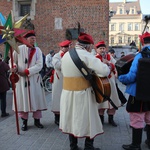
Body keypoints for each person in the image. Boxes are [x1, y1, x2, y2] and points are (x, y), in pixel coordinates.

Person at [59, 32, 111, 150]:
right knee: (89, 119)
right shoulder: (86, 55)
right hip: (83, 93)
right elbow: (104, 71)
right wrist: (107, 66)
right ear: (87, 46)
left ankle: (73, 146)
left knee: (71, 119)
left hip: (67, 93)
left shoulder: (66, 55)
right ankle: (88, 147)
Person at [10, 30, 47, 131]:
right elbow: (13, 61)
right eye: (31, 39)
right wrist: (14, 67)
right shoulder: (18, 49)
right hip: (22, 81)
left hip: (34, 79)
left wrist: (27, 71)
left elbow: (39, 65)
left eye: (34, 39)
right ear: (26, 40)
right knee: (23, 100)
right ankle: (24, 122)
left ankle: (37, 121)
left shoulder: (38, 50)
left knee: (36, 100)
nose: (33, 41)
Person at [118, 32, 150, 150]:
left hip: (138, 92)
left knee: (137, 118)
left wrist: (120, 77)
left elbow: (132, 76)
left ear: (142, 43)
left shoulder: (140, 56)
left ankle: (136, 145)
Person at [95, 41, 121, 127]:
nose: (102, 50)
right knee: (102, 101)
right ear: (97, 50)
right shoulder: (95, 58)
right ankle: (100, 119)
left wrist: (109, 63)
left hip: (111, 81)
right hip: (101, 82)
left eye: (103, 48)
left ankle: (111, 118)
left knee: (112, 99)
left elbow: (115, 65)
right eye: (100, 49)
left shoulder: (109, 57)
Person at [51, 40, 72, 126]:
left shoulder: (71, 55)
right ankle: (57, 118)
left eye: (67, 47)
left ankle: (66, 117)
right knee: (57, 97)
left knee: (68, 98)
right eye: (64, 47)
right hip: (59, 80)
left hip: (68, 79)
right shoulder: (56, 56)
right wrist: (66, 60)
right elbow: (57, 65)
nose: (66, 49)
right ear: (61, 48)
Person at [0, 53, 10, 117]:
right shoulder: (2, 63)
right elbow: (8, 68)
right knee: (3, 99)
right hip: (2, 83)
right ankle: (3, 112)